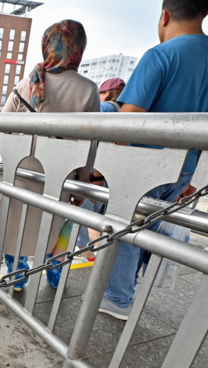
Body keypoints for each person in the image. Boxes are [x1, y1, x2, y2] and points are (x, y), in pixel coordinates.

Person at [99, 0, 208, 320]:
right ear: (207, 11)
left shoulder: (160, 55)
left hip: (145, 164)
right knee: (148, 227)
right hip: (184, 168)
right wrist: (193, 178)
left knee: (126, 229)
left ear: (164, 15)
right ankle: (129, 287)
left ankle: (118, 299)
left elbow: (126, 123)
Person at [0, 19, 100, 292]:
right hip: (59, 176)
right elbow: (91, 144)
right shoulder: (88, 90)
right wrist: (83, 182)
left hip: (20, 171)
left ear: (47, 45)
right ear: (79, 48)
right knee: (55, 228)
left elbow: (1, 129)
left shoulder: (26, 83)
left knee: (15, 227)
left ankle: (18, 278)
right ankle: (54, 278)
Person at [76, 78, 127, 259]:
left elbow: (98, 145)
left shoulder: (105, 109)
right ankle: (91, 252)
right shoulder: (126, 112)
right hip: (113, 176)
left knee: (81, 214)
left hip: (96, 175)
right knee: (97, 215)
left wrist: (95, 176)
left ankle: (87, 250)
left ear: (105, 93)